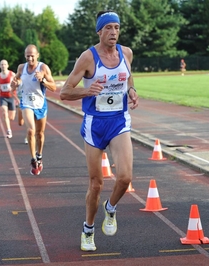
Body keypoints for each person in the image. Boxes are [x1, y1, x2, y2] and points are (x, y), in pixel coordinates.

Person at [60, 10, 139, 252]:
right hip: (95, 124)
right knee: (96, 184)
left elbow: (128, 78)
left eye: (116, 27)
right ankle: (88, 229)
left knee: (125, 178)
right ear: (99, 31)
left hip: (118, 122)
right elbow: (64, 92)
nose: (113, 32)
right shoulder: (88, 58)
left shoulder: (126, 53)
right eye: (108, 28)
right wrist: (87, 91)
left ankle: (111, 208)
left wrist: (133, 90)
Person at [10, 44, 56, 175]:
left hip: (40, 104)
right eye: (27, 56)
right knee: (31, 130)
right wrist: (14, 84)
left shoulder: (43, 68)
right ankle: (33, 159)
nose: (29, 59)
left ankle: (39, 155)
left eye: (32, 56)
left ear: (37, 56)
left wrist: (43, 81)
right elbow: (15, 83)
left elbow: (53, 87)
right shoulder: (21, 67)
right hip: (26, 103)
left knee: (40, 134)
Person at [0, 59, 17, 139]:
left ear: (7, 65)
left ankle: (8, 122)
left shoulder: (12, 74)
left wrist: (13, 87)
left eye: (5, 64)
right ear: (0, 66)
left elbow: (19, 82)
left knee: (11, 118)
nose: (3, 66)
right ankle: (9, 130)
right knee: (4, 112)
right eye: (2, 64)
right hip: (3, 97)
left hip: (12, 97)